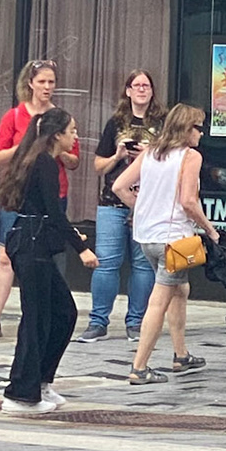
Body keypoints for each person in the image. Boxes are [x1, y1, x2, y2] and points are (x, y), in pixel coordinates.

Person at [0, 108, 96, 410]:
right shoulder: (44, 163)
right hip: (31, 244)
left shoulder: (41, 161)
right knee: (36, 318)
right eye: (72, 131)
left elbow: (48, 212)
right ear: (57, 135)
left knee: (63, 312)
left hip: (33, 242)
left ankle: (40, 381)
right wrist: (82, 250)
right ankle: (20, 393)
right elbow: (54, 212)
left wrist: (72, 237)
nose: (75, 136)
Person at [112, 104, 217, 387]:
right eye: (198, 127)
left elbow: (119, 186)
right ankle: (139, 367)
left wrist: (143, 207)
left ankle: (181, 354)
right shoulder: (190, 156)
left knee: (180, 289)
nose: (201, 133)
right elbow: (188, 201)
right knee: (159, 300)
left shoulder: (150, 153)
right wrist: (209, 229)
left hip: (147, 236)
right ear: (186, 129)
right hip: (175, 239)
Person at [0, 58, 77, 340]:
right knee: (6, 255)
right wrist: (29, 144)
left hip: (52, 192)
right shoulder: (14, 116)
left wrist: (54, 147)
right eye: (42, 82)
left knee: (50, 256)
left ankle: (45, 309)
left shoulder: (60, 119)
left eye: (51, 82)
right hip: (19, 195)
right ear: (30, 84)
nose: (47, 87)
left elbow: (74, 160)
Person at [79, 69, 162, 343]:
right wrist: (118, 155)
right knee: (107, 262)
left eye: (146, 85)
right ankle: (98, 321)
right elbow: (98, 165)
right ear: (127, 91)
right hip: (112, 202)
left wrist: (149, 156)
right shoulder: (115, 123)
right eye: (136, 85)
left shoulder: (162, 123)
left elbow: (173, 161)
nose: (141, 90)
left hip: (147, 202)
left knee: (142, 263)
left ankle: (136, 322)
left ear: (152, 91)